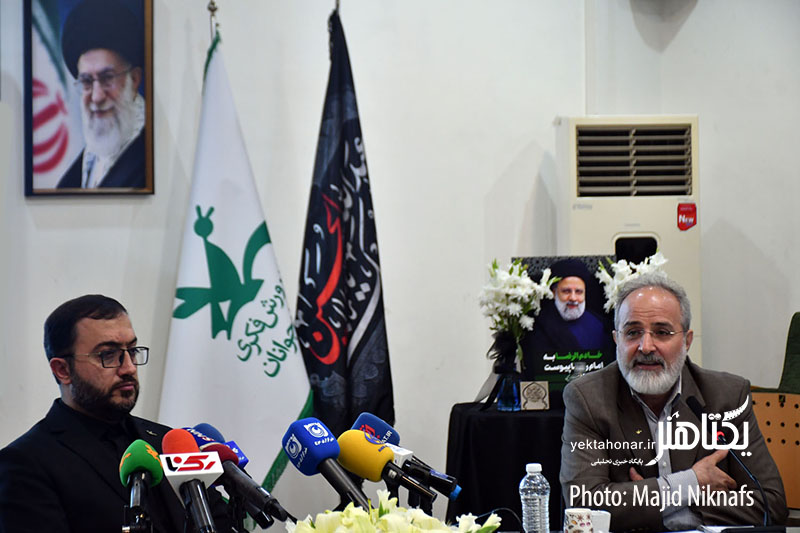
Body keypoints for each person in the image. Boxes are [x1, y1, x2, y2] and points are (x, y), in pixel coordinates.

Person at [560, 272, 787, 531]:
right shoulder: (588, 398)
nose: (646, 346)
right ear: (616, 340)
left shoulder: (727, 396)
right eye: (632, 332)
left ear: (687, 341)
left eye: (662, 332)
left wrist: (656, 502)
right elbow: (585, 505)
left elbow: (771, 504)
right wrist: (692, 483)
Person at [0, 295, 232, 532]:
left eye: (132, 350)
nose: (129, 367)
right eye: (108, 354)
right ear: (63, 370)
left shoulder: (167, 442)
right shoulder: (24, 464)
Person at [57, 0, 146, 189]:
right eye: (87, 82)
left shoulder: (150, 158)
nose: (97, 97)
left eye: (107, 78)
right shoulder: (71, 179)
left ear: (134, 80)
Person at [521, 259, 615, 385]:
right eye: (566, 291)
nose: (573, 298)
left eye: (579, 292)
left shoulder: (601, 325)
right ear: (554, 292)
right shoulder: (536, 326)